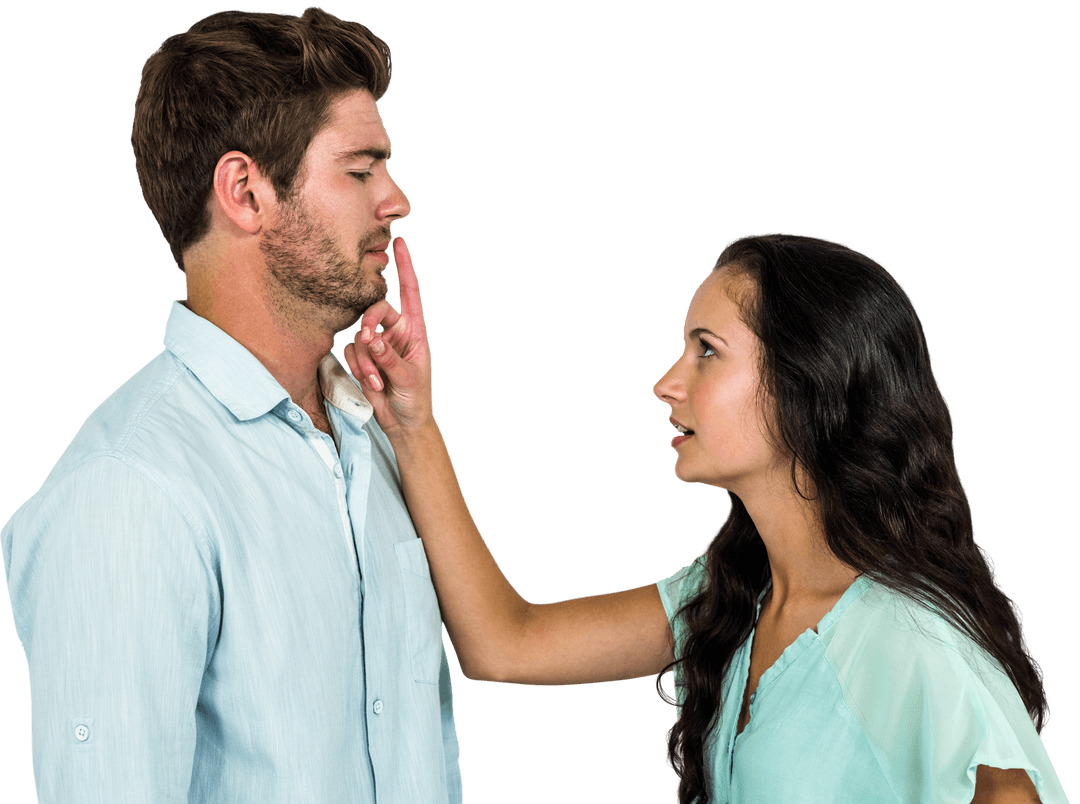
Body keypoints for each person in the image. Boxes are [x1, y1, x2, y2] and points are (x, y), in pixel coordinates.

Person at [343, 232, 1069, 803]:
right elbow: (505, 644)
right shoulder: (733, 597)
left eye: (707, 352)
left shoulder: (915, 647)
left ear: (804, 381)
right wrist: (413, 425)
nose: (666, 383)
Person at [0, 8, 461, 803]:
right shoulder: (127, 493)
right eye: (361, 170)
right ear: (245, 191)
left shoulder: (374, 432)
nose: (397, 200)